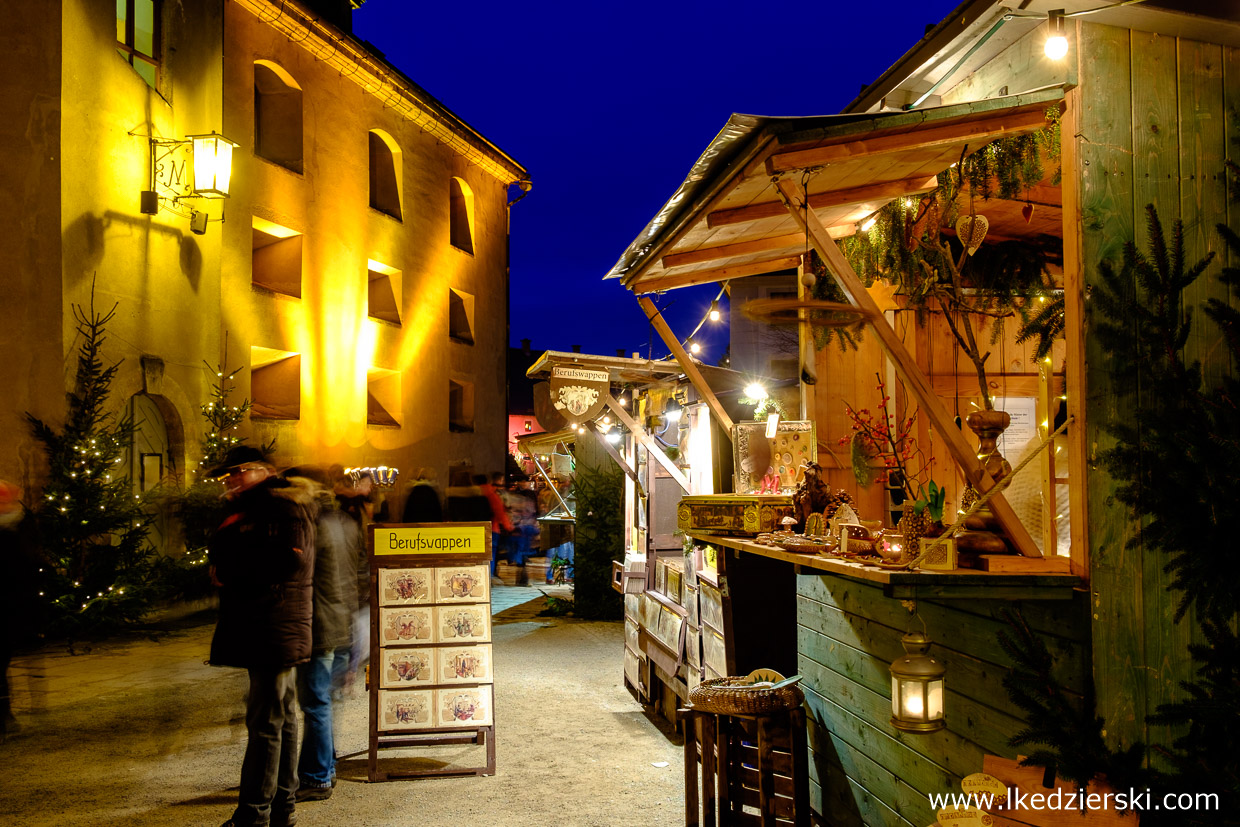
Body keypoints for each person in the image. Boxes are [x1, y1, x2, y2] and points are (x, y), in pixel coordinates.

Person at [208, 446, 317, 827]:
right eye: (227, 474)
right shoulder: (257, 506)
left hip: (273, 625)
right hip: (266, 624)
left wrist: (230, 571)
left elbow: (289, 560)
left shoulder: (277, 506)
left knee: (266, 723)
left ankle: (253, 814)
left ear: (263, 471)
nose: (231, 479)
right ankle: (280, 809)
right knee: (281, 718)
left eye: (238, 471)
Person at [284, 468, 360, 803]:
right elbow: (357, 572)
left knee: (315, 702)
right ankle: (324, 767)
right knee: (327, 702)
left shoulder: (309, 525)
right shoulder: (344, 520)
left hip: (320, 626)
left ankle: (316, 777)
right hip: (344, 622)